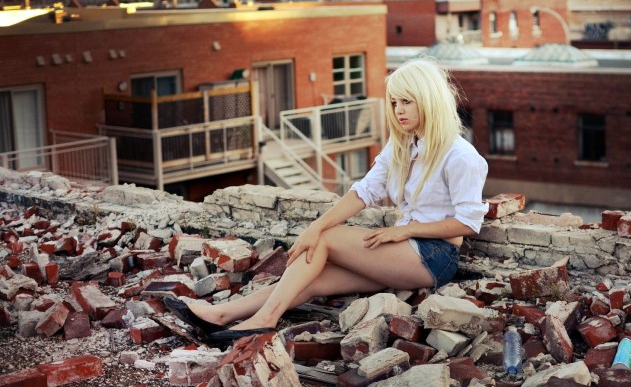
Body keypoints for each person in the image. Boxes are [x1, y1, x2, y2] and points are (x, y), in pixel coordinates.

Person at [164, 58, 489, 344]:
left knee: (327, 239)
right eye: (394, 102)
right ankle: (221, 315)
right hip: (405, 252)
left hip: (435, 256)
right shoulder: (402, 146)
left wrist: (400, 232)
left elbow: (467, 224)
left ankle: (264, 321)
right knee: (314, 273)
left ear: (429, 100)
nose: (398, 110)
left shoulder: (459, 155)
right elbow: (364, 192)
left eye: (407, 101)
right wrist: (313, 228)